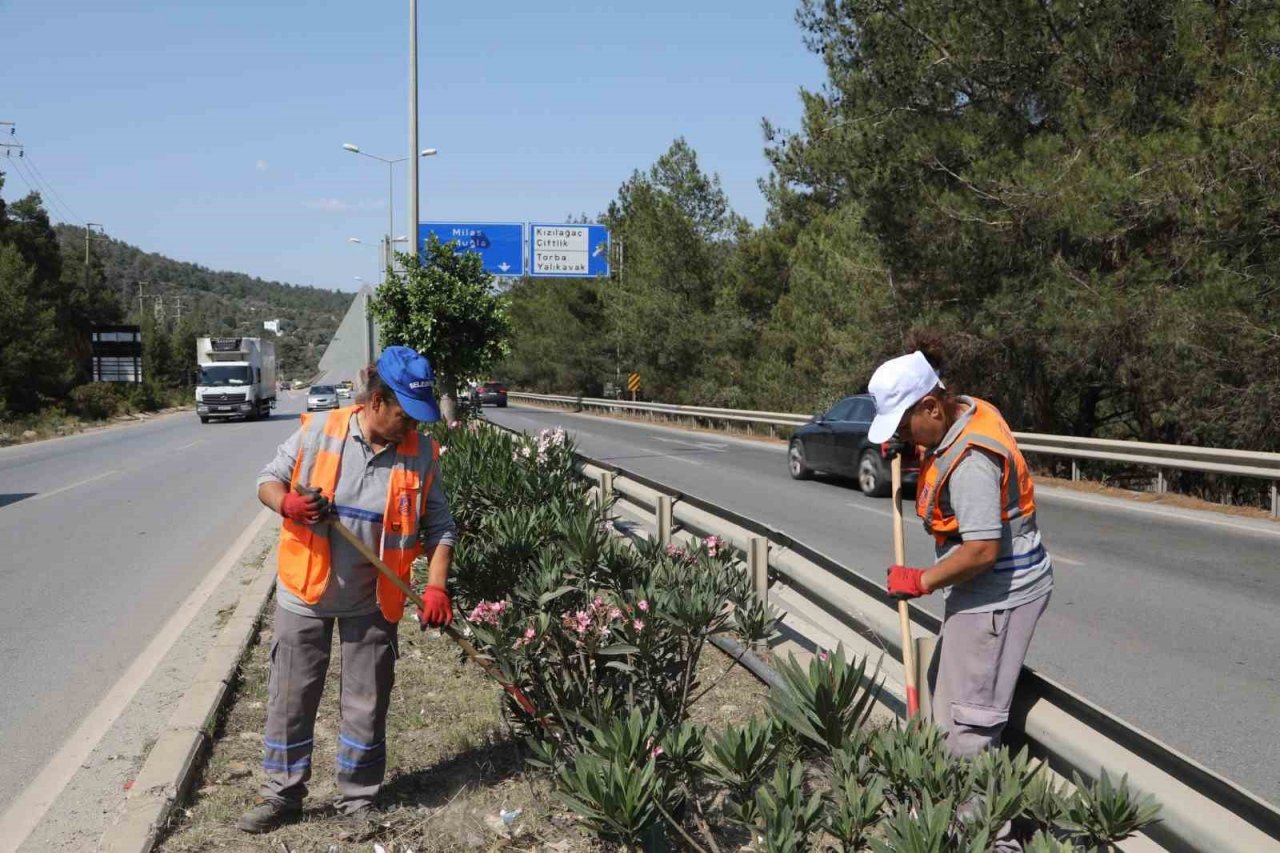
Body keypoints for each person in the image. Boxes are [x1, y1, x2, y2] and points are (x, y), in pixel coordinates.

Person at [236, 346, 458, 833]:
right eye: (404, 415)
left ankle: (357, 801)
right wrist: (289, 503)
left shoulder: (421, 452)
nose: (410, 426)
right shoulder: (320, 431)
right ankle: (282, 796)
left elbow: (441, 527)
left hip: (375, 599)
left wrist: (437, 587)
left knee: (366, 701)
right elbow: (266, 481)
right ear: (376, 400)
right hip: (306, 593)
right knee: (291, 697)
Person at [867, 351, 1053, 757]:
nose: (903, 435)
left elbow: (982, 551)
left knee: (966, 726)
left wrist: (920, 581)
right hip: (980, 590)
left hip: (997, 595)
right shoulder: (963, 410)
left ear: (931, 406)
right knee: (945, 699)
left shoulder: (972, 463)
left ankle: (976, 822)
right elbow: (941, 445)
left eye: (903, 425)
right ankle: (946, 810)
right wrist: (910, 446)